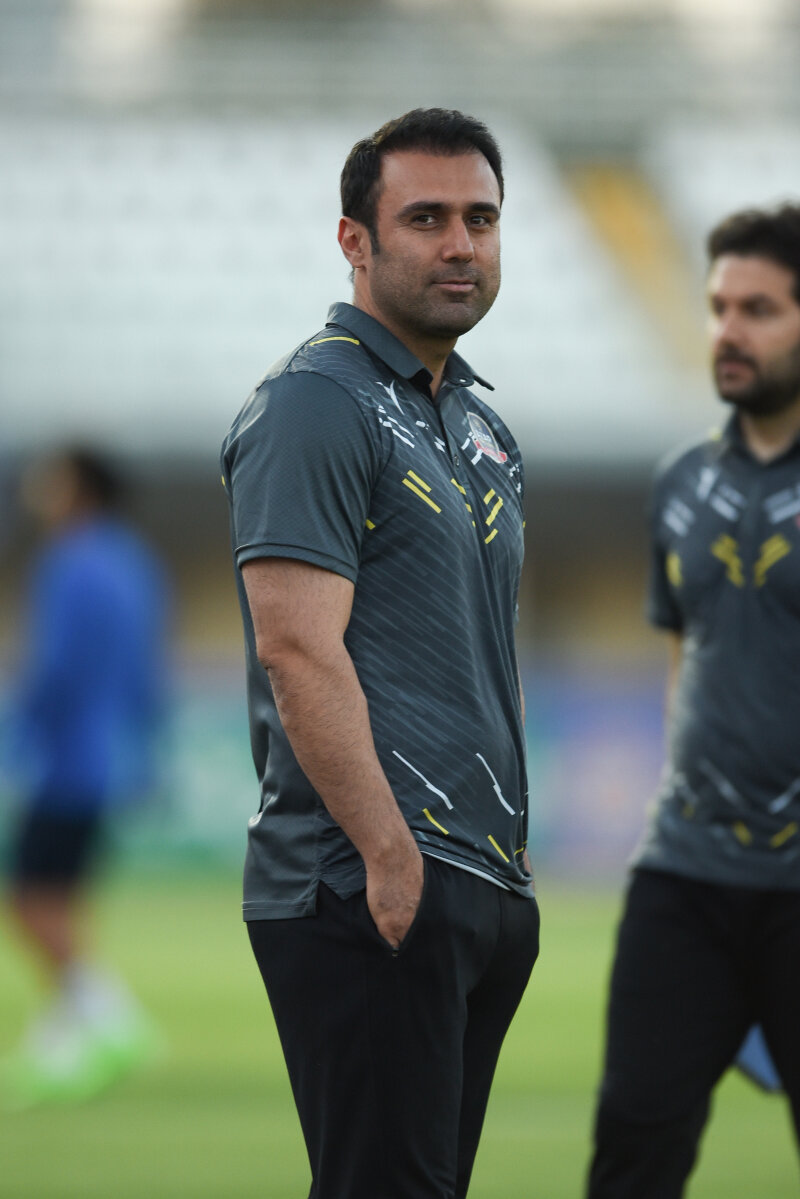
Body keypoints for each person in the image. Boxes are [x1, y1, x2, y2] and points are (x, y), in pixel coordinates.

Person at [221, 107, 539, 1199]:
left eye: (481, 219)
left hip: (478, 881)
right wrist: (389, 860)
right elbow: (295, 648)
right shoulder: (315, 402)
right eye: (426, 218)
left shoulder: (483, 427)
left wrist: (504, 872)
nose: (460, 244)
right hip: (365, 876)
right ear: (354, 240)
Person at [587, 203, 800, 1197]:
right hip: (682, 875)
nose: (728, 330)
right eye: (719, 307)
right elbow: (686, 653)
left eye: (758, 309)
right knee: (633, 1150)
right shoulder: (678, 482)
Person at [2, 447, 170, 1108]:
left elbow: (56, 668)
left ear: (78, 488)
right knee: (60, 897)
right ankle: (65, 1037)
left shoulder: (70, 560)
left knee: (31, 899)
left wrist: (21, 739)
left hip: (69, 756)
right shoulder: (135, 561)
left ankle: (113, 1021)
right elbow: (146, 671)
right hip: (115, 754)